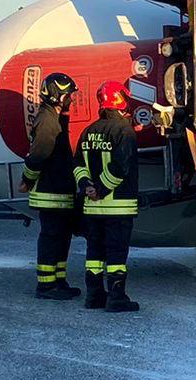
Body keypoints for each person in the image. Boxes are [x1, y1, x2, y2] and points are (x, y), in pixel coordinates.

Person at [74, 79, 141, 313]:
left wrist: (86, 186)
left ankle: (93, 296)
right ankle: (117, 297)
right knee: (116, 253)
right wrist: (101, 188)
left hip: (92, 208)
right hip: (118, 207)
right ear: (122, 100)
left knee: (94, 253)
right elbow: (121, 167)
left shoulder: (88, 131)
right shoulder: (124, 131)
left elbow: (78, 164)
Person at [22, 72, 81, 299]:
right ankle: (46, 286)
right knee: (52, 237)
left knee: (62, 237)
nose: (71, 99)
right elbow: (38, 156)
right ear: (58, 96)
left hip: (60, 191)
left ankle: (59, 281)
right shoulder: (47, 121)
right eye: (69, 95)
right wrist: (27, 180)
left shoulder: (55, 118)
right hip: (50, 193)